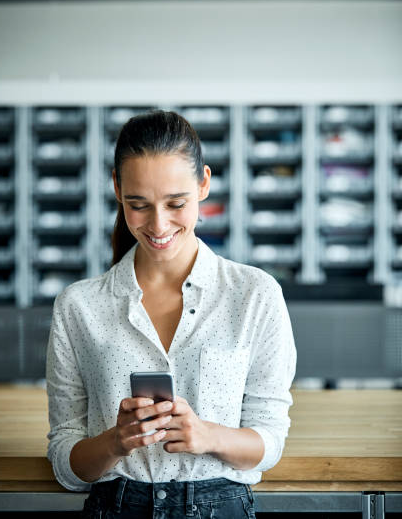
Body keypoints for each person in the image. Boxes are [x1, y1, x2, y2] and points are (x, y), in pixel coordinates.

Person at [46, 109, 297, 518]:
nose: (158, 225)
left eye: (175, 203)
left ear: (203, 184)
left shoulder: (255, 295)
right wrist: (115, 442)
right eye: (138, 205)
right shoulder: (79, 306)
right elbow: (66, 463)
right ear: (117, 189)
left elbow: (269, 442)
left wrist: (208, 435)